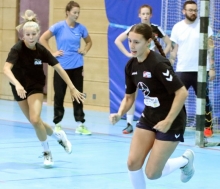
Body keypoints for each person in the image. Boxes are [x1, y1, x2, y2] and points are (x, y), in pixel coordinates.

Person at [110, 23, 195, 188]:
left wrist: (168, 121)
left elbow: (182, 93)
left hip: (172, 120)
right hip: (150, 117)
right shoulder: (131, 66)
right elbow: (129, 98)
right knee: (132, 162)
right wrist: (119, 113)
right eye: (130, 41)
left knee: (152, 173)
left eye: (136, 42)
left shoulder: (158, 64)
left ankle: (185, 161)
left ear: (148, 42)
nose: (132, 46)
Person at [3, 10, 85, 167]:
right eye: (28, 35)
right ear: (23, 35)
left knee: (34, 119)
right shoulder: (17, 49)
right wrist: (17, 84)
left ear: (37, 33)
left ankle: (47, 153)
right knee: (36, 122)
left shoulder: (41, 51)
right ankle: (59, 137)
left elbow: (60, 68)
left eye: (34, 34)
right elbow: (6, 69)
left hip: (35, 87)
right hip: (19, 88)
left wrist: (72, 87)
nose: (31, 37)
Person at [114, 4, 171, 134]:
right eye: (143, 14)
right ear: (139, 15)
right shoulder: (134, 29)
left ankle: (163, 120)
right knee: (131, 94)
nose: (145, 16)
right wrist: (128, 54)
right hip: (139, 64)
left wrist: (162, 56)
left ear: (151, 15)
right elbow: (117, 40)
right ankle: (129, 123)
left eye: (147, 14)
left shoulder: (156, 29)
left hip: (152, 65)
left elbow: (169, 43)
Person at [39, 1, 92, 135]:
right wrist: (52, 52)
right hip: (61, 67)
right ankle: (57, 124)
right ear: (68, 12)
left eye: (78, 13)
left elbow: (89, 42)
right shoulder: (58, 27)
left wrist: (85, 49)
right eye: (74, 12)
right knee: (59, 95)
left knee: (78, 95)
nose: (77, 15)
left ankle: (80, 124)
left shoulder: (81, 28)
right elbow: (42, 39)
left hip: (77, 66)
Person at [169, 0, 215, 138]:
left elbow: (210, 47)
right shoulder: (177, 27)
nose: (193, 12)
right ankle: (177, 125)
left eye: (195, 10)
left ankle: (207, 127)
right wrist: (170, 64)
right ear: (184, 11)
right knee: (178, 98)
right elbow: (174, 49)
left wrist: (211, 67)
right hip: (182, 69)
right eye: (190, 10)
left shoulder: (204, 25)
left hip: (201, 70)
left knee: (204, 98)